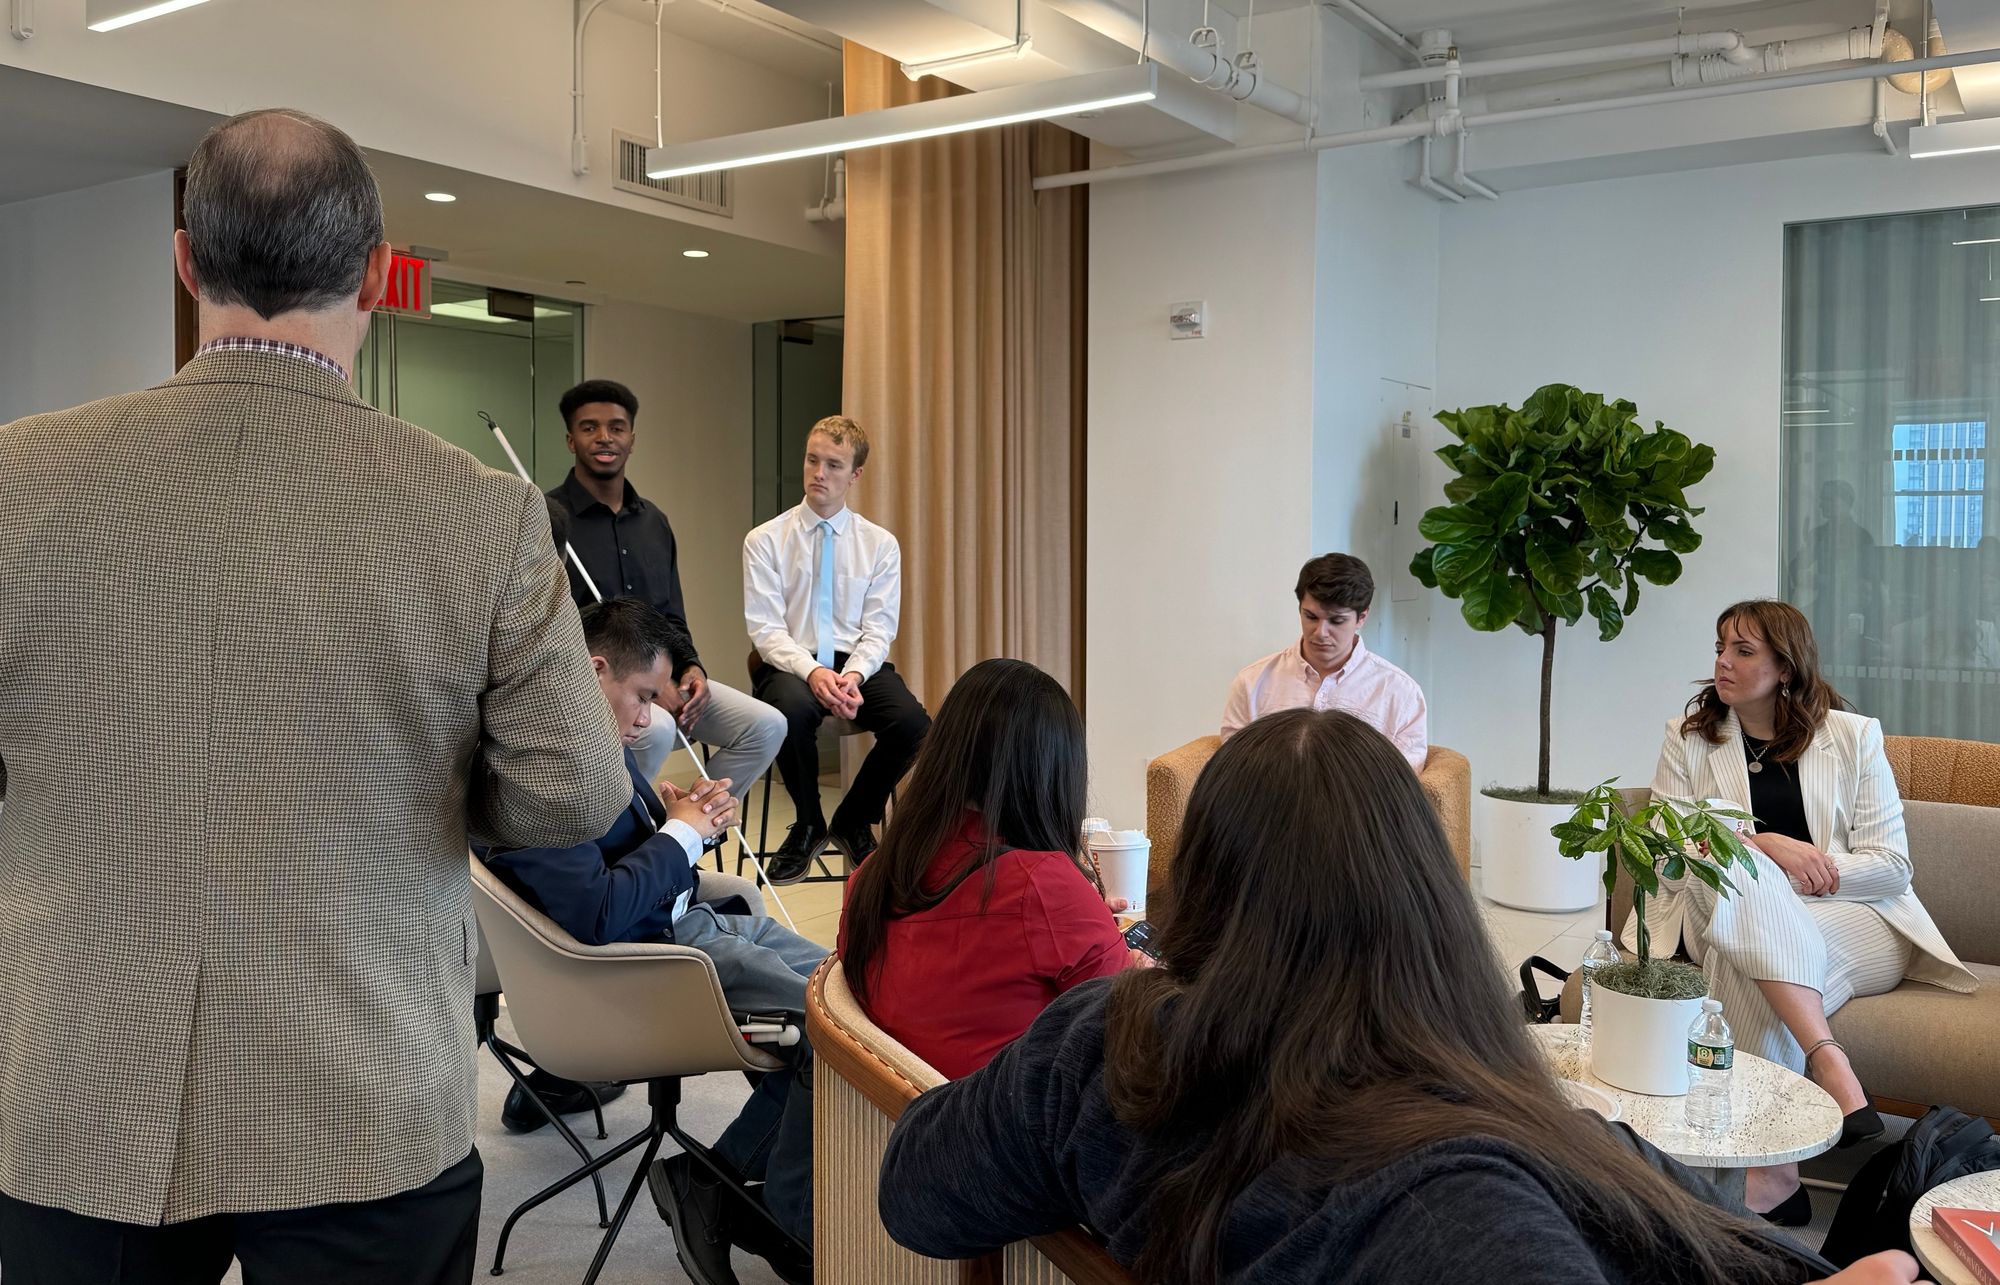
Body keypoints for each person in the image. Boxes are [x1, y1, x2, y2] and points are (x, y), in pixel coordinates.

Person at [0, 109, 632, 1284]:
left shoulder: (16, 477)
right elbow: (576, 792)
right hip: (361, 1079)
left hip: (81, 1080)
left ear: (185, 259)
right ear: (376, 276)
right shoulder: (479, 512)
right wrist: (422, 781)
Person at [874, 710, 1925, 1285]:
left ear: (1198, 888)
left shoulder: (1108, 1049)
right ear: (1424, 898)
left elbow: (917, 1189)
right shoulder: (1444, 1186)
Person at [480, 598, 822, 1285]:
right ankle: (785, 1220)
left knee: (852, 986)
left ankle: (709, 1184)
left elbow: (619, 866)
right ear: (594, 667)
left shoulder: (582, 742)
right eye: (641, 696)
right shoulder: (543, 770)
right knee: (831, 1031)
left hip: (685, 927)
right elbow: (599, 914)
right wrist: (683, 832)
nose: (648, 717)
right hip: (647, 966)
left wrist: (683, 818)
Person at [1639, 598, 1976, 1223]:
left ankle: (1757, 1176)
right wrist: (1765, 844)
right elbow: (1666, 846)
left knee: (1747, 904)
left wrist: (1801, 869)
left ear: (1786, 668)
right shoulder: (1688, 740)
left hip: (1860, 920)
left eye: (1743, 651)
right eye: (1719, 648)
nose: (1723, 662)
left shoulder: (1852, 737)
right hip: (1747, 921)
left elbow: (1892, 867)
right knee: (1739, 873)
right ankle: (1803, 1108)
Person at [837, 658, 1139, 1080]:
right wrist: (1140, 973)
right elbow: (1130, 1038)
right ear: (1054, 772)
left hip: (897, 1119)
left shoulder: (870, 875)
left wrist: (1081, 925)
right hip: (1003, 1133)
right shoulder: (1044, 886)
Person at [548, 379, 786, 807]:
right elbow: (552, 628)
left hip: (664, 679)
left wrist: (692, 669)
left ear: (632, 439)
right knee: (654, 727)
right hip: (597, 687)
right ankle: (631, 836)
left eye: (616, 427)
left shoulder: (653, 522)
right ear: (570, 439)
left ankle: (682, 825)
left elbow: (670, 617)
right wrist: (652, 690)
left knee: (766, 724)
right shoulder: (550, 518)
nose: (604, 437)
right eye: (589, 427)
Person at [743, 416, 931, 881]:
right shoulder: (765, 540)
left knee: (915, 724)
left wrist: (854, 676)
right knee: (789, 710)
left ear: (855, 475)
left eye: (833, 464)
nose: (819, 473)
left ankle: (853, 818)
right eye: (812, 460)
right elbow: (765, 630)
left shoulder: (880, 545)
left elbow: (879, 629)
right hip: (789, 662)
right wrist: (811, 673)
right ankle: (807, 824)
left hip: (856, 665)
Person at [1220, 552, 1428, 770]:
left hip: (1359, 803)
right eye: (1310, 617)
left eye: (1336, 620)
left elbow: (1403, 786)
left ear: (1362, 617)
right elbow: (1232, 768)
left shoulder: (1401, 693)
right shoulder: (1252, 682)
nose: (1320, 632)